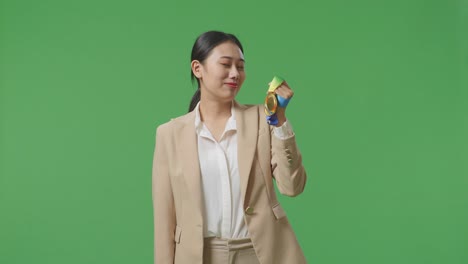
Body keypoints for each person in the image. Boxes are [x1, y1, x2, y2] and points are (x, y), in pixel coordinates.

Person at [152, 30, 307, 264]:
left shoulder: (262, 120)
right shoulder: (169, 134)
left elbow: (292, 186)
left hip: (260, 253)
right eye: (226, 64)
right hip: (198, 257)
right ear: (198, 69)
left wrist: (280, 121)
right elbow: (164, 222)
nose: (235, 74)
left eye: (240, 67)